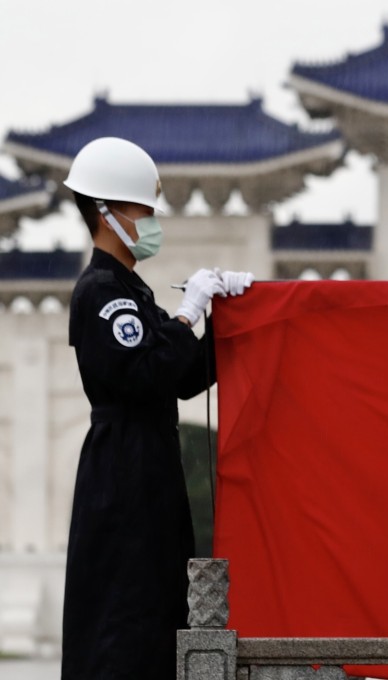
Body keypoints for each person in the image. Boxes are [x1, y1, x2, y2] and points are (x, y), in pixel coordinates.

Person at [60, 137, 254, 679]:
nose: (150, 221)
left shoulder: (132, 289)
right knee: (124, 614)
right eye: (142, 209)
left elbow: (183, 377)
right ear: (106, 213)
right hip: (121, 471)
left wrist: (227, 319)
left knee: (159, 603)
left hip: (148, 465)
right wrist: (187, 314)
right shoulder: (101, 291)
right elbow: (142, 371)